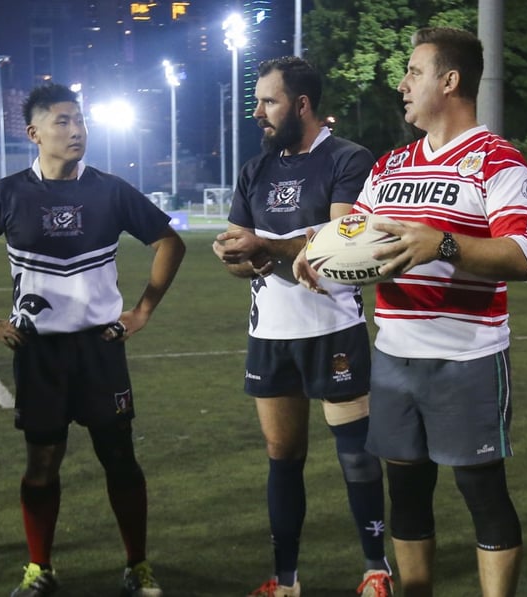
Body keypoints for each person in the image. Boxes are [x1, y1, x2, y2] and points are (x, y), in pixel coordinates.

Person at [294, 27, 527, 596]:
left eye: (414, 72)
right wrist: (316, 249)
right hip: (394, 356)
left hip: (468, 356)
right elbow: (352, 232)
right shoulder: (392, 165)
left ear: (449, 81)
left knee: (483, 493)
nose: (402, 84)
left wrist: (443, 244)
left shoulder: (497, 161)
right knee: (405, 494)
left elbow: (522, 255)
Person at [0, 83, 186, 597]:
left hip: (100, 349)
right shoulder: (9, 193)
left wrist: (142, 311)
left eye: (80, 120)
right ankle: (39, 568)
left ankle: (137, 566)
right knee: (42, 463)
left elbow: (169, 242)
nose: (76, 131)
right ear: (34, 133)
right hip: (40, 354)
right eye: (62, 122)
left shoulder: (110, 190)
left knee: (119, 458)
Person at [212, 57, 392, 597]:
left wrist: (263, 245)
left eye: (269, 101)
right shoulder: (255, 169)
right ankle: (286, 580)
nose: (258, 112)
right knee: (282, 456)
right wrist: (240, 255)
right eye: (258, 101)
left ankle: (376, 570)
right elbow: (238, 250)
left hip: (333, 328)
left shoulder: (347, 158)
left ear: (302, 105)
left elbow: (342, 243)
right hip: (270, 334)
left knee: (355, 454)